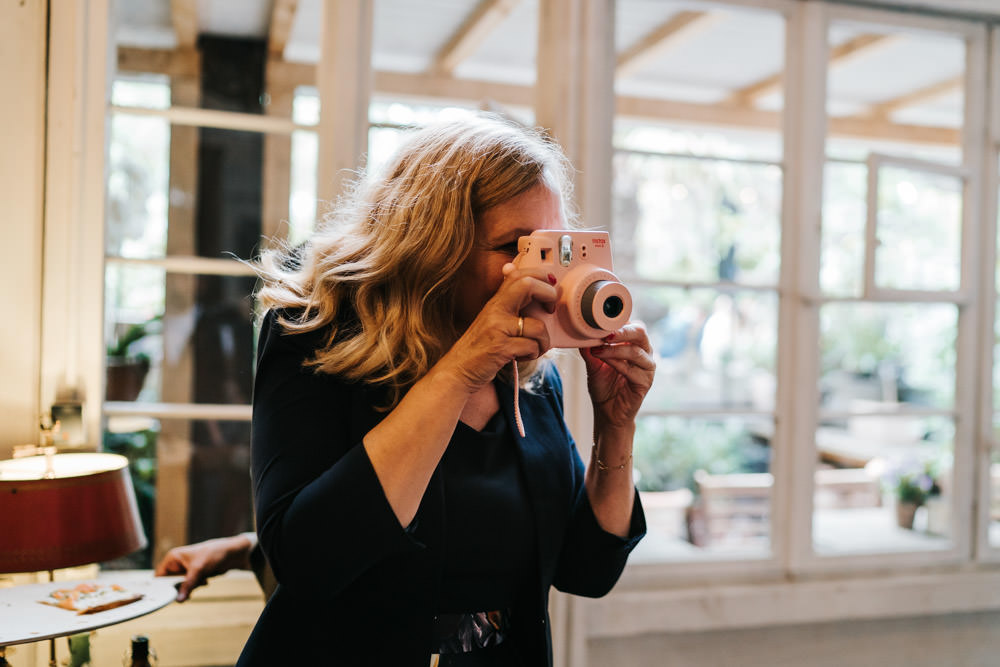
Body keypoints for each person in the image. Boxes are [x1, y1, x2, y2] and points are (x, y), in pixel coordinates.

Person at [238, 114, 655, 666]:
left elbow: (589, 569)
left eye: (551, 248)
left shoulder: (531, 378)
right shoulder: (313, 334)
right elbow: (309, 561)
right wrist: (459, 374)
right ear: (431, 246)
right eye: (515, 246)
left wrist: (616, 425)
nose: (541, 277)